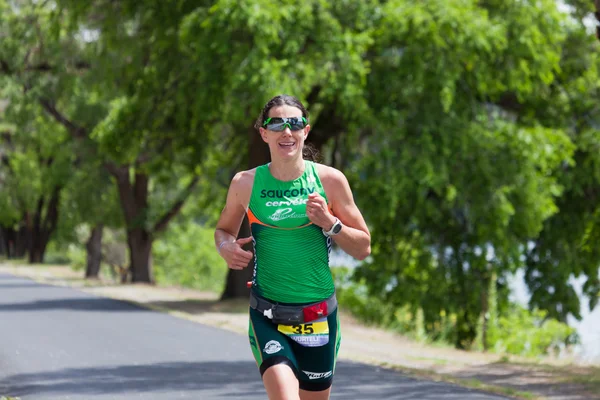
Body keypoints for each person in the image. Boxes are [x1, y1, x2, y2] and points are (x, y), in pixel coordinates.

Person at [214, 94, 371, 400]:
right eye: (277, 124)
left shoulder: (330, 181)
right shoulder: (245, 183)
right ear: (264, 133)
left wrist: (330, 223)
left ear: (305, 131)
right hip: (268, 314)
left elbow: (363, 247)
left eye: (294, 123)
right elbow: (223, 230)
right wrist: (225, 246)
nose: (286, 131)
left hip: (319, 315)